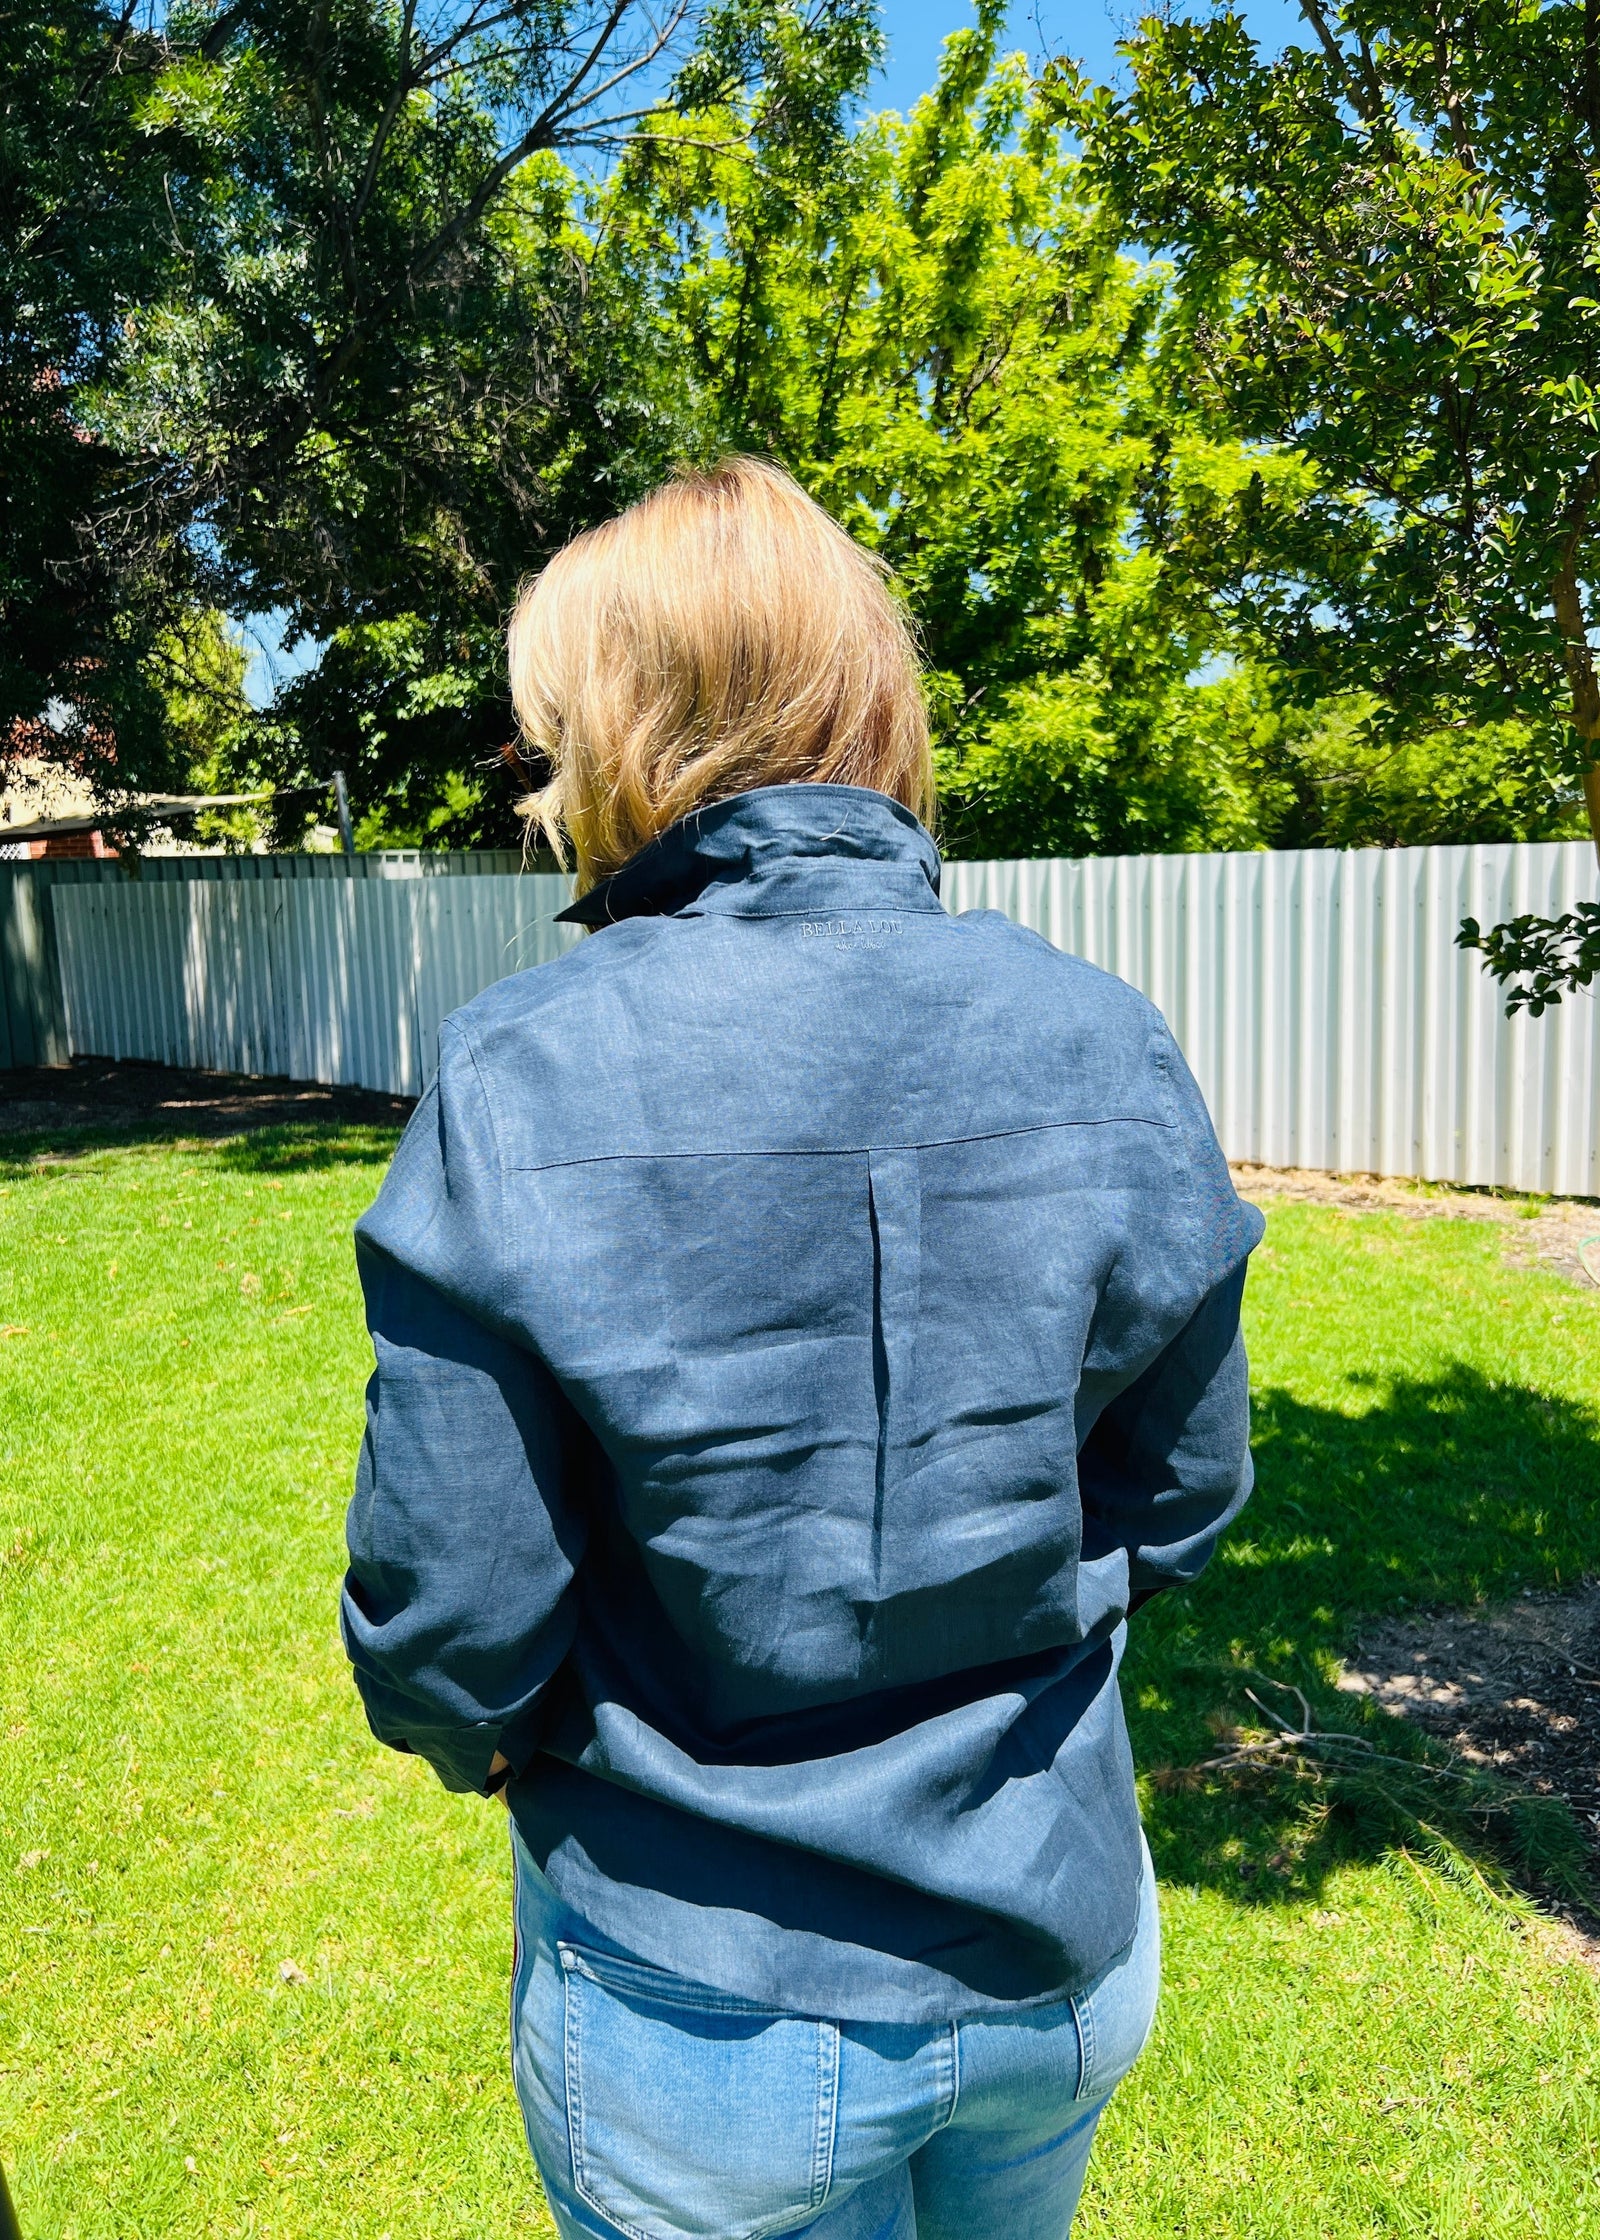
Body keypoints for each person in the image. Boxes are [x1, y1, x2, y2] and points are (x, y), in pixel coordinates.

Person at [340, 457, 1262, 2240]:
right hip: (1050, 1949)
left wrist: (507, 1751)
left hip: (704, 1994)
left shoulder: (525, 1067)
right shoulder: (1103, 1035)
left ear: (614, 729)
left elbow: (453, 1621)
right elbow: (1186, 1497)